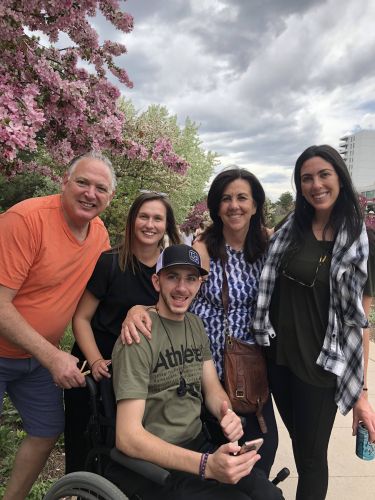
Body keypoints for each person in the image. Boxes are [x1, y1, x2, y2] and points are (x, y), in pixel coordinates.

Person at [122, 167, 279, 477]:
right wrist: (137, 309)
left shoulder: (269, 245)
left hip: (250, 367)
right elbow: (176, 291)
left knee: (263, 449)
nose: (234, 205)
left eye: (242, 198)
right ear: (216, 206)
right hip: (205, 360)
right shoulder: (204, 246)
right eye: (226, 198)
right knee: (224, 449)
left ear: (256, 204)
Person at [108, 244, 284, 500]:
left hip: (198, 446)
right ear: (156, 282)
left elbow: (212, 389)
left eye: (191, 278)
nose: (182, 288)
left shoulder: (194, 325)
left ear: (200, 284)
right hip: (153, 465)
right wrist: (206, 465)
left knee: (269, 495)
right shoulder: (138, 335)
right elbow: (128, 437)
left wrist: (227, 414)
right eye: (172, 277)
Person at [253, 145, 375, 500]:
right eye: (307, 178)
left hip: (319, 370)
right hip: (278, 361)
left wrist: (361, 394)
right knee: (298, 443)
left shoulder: (362, 243)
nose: (316, 184)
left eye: (324, 175)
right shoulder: (291, 231)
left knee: (310, 459)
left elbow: (359, 323)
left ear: (340, 178)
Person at [0, 151, 116, 500]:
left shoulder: (99, 235)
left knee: (46, 431)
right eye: (82, 182)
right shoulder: (26, 220)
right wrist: (53, 358)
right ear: (64, 182)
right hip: (22, 351)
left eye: (100, 188)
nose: (90, 194)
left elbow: (105, 296)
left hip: (33, 359)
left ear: (110, 198)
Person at [64, 192, 181, 473]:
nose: (150, 224)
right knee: (86, 447)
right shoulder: (111, 262)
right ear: (132, 221)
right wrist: (94, 362)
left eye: (157, 218)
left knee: (129, 453)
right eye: (144, 216)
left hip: (140, 374)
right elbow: (81, 318)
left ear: (167, 225)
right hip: (98, 365)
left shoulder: (172, 268)